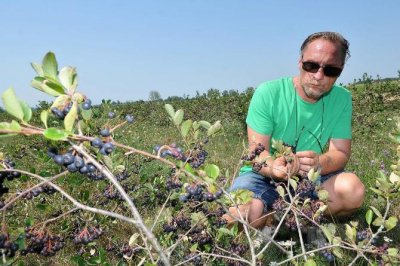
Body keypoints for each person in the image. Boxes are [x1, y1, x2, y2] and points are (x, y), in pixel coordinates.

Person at [223, 31, 365, 229]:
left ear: (340, 70)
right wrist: (275, 168)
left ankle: (287, 219)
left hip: (312, 177)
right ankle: (283, 217)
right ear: (300, 62)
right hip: (263, 176)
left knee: (352, 190)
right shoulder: (268, 93)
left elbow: (340, 152)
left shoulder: (342, 98)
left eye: (330, 70)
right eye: (311, 65)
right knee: (239, 215)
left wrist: (319, 162)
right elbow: (257, 153)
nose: (318, 76)